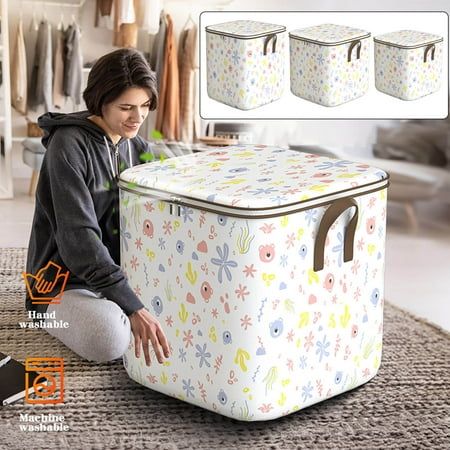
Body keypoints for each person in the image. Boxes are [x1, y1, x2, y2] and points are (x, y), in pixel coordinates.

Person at [25, 48, 171, 366]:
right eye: (126, 107)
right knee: (108, 338)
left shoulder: (135, 147)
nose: (138, 117)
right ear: (100, 101)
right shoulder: (68, 147)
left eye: (145, 106)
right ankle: (113, 311)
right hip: (63, 283)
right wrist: (133, 307)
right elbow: (79, 241)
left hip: (116, 275)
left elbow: (182, 177)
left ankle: (120, 305)